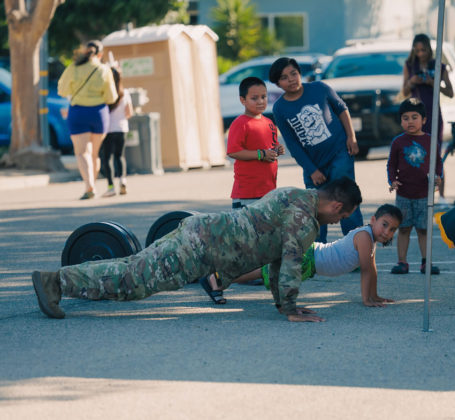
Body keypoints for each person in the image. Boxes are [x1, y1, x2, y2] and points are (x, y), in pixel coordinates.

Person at [31, 177, 362, 323]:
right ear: (336, 204)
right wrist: (290, 307)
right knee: (133, 280)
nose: (338, 221)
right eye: (343, 215)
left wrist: (282, 304)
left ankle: (58, 282)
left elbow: (276, 262)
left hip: (199, 231)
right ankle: (54, 283)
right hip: (199, 248)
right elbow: (290, 263)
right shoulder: (305, 221)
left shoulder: (295, 195)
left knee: (133, 269)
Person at [221, 204, 402, 307]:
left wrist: (375, 295)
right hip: (310, 256)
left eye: (392, 229)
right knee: (264, 271)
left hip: (313, 260)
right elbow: (366, 271)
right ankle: (220, 278)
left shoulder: (370, 239)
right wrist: (366, 299)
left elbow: (372, 269)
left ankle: (222, 277)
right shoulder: (364, 236)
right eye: (384, 224)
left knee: (265, 270)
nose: (387, 232)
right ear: (373, 220)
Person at [269, 57, 363, 243]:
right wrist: (312, 170)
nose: (291, 79)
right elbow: (293, 144)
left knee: (345, 198)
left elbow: (342, 109)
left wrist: (351, 137)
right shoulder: (280, 108)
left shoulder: (320, 88)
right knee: (315, 207)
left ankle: (356, 248)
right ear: (278, 84)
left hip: (339, 153)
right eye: (284, 78)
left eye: (294, 74)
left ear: (300, 73)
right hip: (313, 164)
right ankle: (318, 254)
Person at [387, 98, 443, 275]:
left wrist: (438, 178)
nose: (410, 121)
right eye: (405, 118)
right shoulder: (398, 142)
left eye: (414, 117)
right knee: (403, 228)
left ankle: (426, 262)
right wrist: (392, 181)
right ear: (400, 120)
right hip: (403, 194)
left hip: (423, 195)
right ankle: (402, 262)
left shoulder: (430, 141)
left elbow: (438, 164)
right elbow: (391, 164)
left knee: (423, 230)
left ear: (424, 120)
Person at [58, 40, 118, 200]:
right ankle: (92, 184)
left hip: (78, 112)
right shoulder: (104, 70)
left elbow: (62, 90)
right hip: (99, 113)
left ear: (84, 52)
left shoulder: (73, 68)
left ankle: (89, 186)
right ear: (100, 54)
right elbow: (111, 97)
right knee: (94, 153)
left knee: (82, 152)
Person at [401, 34, 453, 205]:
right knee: (415, 154)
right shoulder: (410, 65)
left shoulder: (437, 65)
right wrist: (412, 81)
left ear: (429, 49)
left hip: (434, 114)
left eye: (423, 50)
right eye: (417, 50)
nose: (420, 53)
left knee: (435, 154)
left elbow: (450, 92)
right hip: (415, 116)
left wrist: (433, 82)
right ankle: (419, 193)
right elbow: (404, 92)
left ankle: (442, 195)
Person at [227, 77, 284, 209]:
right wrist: (261, 154)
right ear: (243, 100)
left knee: (266, 228)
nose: (260, 101)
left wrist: (277, 149)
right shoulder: (240, 123)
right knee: (248, 228)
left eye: (264, 97)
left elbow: (269, 146)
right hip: (248, 192)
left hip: (269, 190)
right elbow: (233, 151)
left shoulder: (269, 123)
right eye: (254, 98)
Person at [99, 66, 133, 197]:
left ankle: (111, 186)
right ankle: (123, 181)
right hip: (122, 128)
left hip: (108, 130)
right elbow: (129, 112)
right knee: (120, 156)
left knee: (107, 158)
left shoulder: (105, 94)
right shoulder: (125, 93)